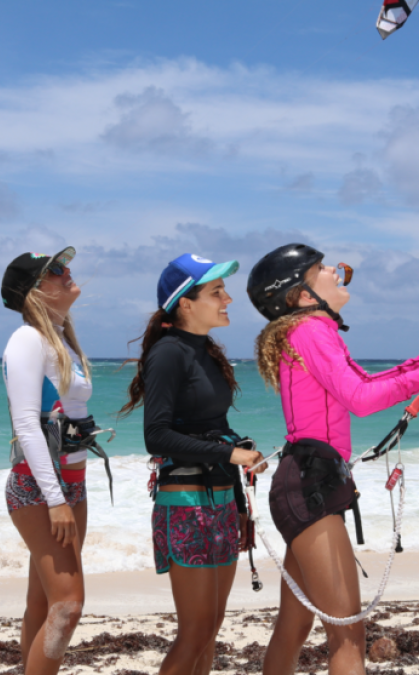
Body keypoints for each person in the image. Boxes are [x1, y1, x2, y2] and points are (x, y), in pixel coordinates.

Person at [246, 243, 419, 675]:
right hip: (310, 484)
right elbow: (361, 399)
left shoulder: (310, 330)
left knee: (294, 625)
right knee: (347, 634)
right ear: (305, 296)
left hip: (308, 481)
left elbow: (362, 381)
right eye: (323, 268)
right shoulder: (311, 330)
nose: (336, 271)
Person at [118, 253, 268, 675]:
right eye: (216, 292)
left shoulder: (207, 352)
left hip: (220, 501)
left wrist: (239, 505)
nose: (228, 299)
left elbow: (215, 429)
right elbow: (157, 436)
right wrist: (230, 454)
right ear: (185, 302)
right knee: (197, 629)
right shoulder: (168, 353)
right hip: (184, 502)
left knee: (211, 629)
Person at [0, 247, 94, 675]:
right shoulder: (27, 339)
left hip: (72, 483)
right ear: (34, 292)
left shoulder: (61, 340)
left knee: (43, 601)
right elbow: (25, 422)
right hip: (41, 488)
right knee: (68, 606)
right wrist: (55, 497)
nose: (67, 272)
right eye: (55, 271)